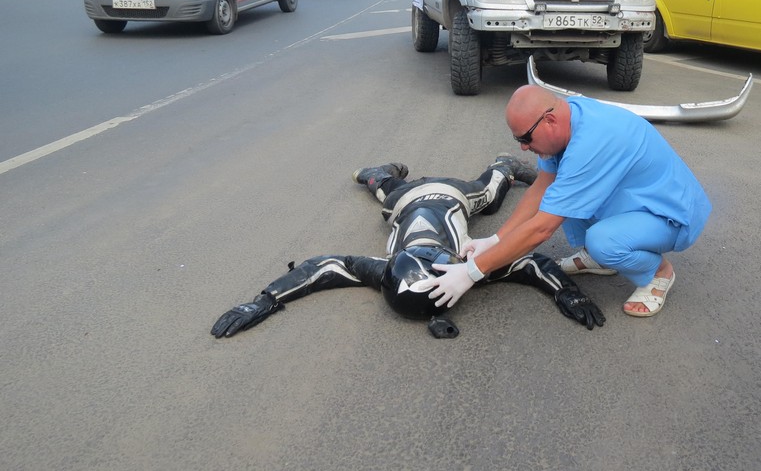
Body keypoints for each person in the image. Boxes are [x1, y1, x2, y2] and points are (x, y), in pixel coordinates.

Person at [211, 156, 605, 340]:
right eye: (437, 260)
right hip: (453, 195)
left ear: (395, 264)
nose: (434, 255)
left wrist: (264, 300)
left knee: (390, 195)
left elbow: (321, 267)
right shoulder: (461, 272)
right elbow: (532, 263)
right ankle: (501, 164)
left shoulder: (386, 270)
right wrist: (566, 293)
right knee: (490, 194)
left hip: (405, 200)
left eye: (423, 258)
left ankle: (377, 175)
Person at [426, 86, 712, 318]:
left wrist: (471, 272)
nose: (523, 147)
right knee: (561, 194)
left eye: (525, 138)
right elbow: (541, 188)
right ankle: (601, 258)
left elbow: (542, 229)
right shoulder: (567, 119)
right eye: (518, 140)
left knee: (603, 241)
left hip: (671, 214)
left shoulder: (590, 144)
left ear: (548, 120)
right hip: (637, 198)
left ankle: (658, 273)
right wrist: (495, 240)